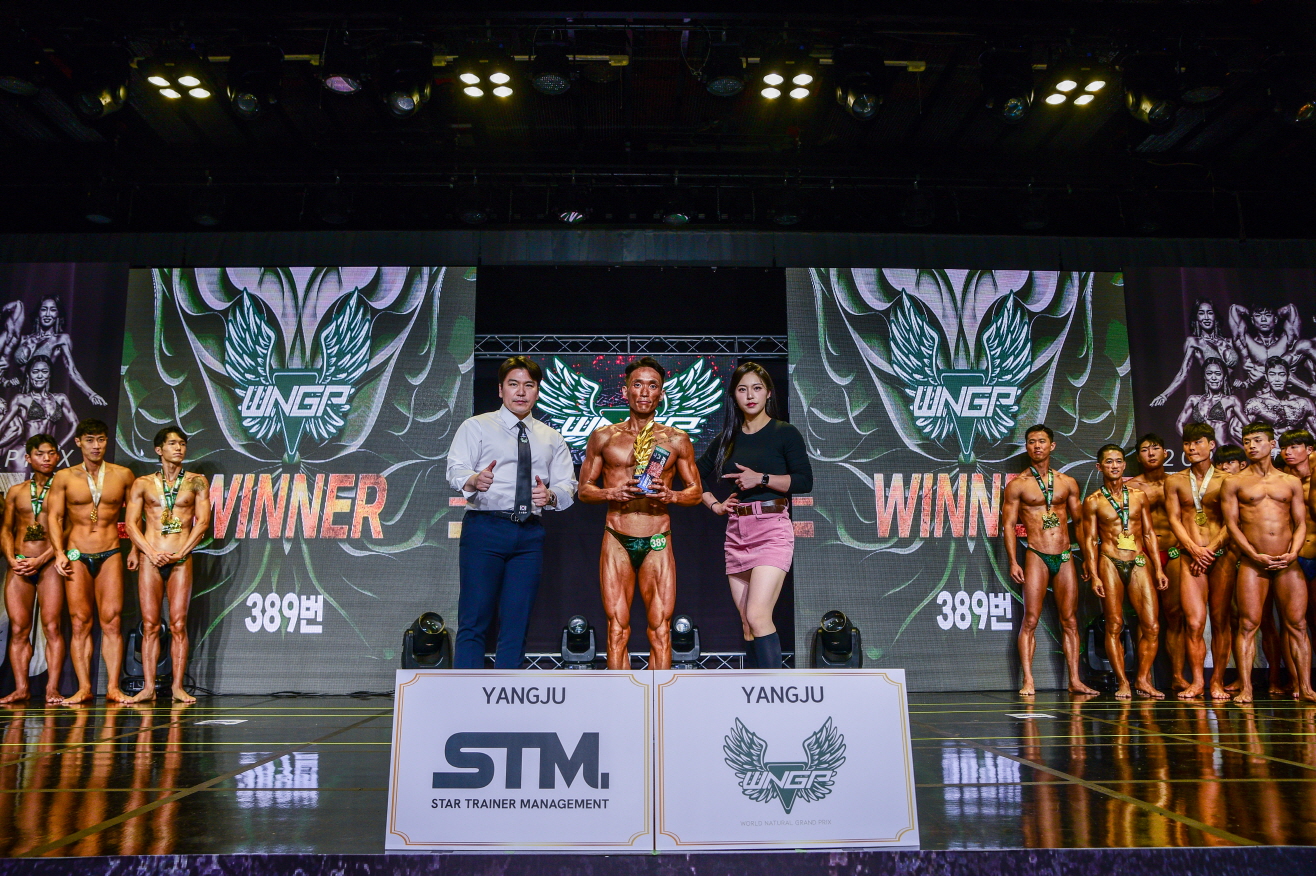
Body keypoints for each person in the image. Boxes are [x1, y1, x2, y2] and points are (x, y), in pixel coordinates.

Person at [445, 356, 576, 669]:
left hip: (529, 534)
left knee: (517, 621)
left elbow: (568, 485)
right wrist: (474, 480)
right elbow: (455, 469)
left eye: (528, 385)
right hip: (485, 528)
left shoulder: (551, 437)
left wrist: (551, 495)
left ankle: (507, 693)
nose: (521, 392)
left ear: (537, 391)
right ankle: (465, 692)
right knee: (474, 619)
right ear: (500, 389)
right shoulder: (476, 426)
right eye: (513, 384)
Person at [578, 357, 702, 670]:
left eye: (652, 385)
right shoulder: (603, 437)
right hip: (616, 537)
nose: (644, 392)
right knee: (616, 628)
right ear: (625, 391)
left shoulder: (676, 439)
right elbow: (584, 490)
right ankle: (619, 697)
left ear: (661, 393)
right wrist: (611, 492)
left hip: (657, 537)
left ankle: (658, 698)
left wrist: (672, 495)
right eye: (637, 384)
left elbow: (696, 492)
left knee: (660, 629)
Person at [697, 362, 812, 671]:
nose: (750, 396)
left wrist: (761, 479)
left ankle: (775, 692)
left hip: (772, 528)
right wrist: (714, 505)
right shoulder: (727, 439)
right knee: (748, 623)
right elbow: (693, 474)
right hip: (737, 531)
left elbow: (804, 481)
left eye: (757, 388)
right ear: (734, 396)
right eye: (742, 389)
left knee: (758, 615)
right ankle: (754, 690)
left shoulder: (784, 433)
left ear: (768, 393)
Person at [1220, 422, 1315, 704]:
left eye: (1258, 440)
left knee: (1297, 625)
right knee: (1248, 625)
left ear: (1272, 444)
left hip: (1288, 561)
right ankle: (1247, 688)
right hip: (1253, 563)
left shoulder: (1290, 482)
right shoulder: (1234, 482)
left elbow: (1300, 523)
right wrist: (1253, 554)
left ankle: (1306, 687)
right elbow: (1232, 525)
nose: (1251, 446)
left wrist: (1293, 552)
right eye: (1247, 441)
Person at [1001, 424, 1097, 696]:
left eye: (1042, 441)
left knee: (1070, 621)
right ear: (1027, 447)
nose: (1037, 446)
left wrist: (1087, 558)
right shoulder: (1018, 485)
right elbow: (1009, 525)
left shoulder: (1067, 483)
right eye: (1032, 442)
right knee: (1030, 619)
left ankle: (1075, 680)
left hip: (1064, 555)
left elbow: (1080, 523)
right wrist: (1013, 561)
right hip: (1037, 554)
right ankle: (1028, 680)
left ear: (1051, 446)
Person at [46, 418, 137, 704]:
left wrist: (135, 549)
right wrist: (58, 552)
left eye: (100, 439)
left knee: (111, 620)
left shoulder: (123, 475)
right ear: (78, 442)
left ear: (107, 441)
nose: (96, 446)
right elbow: (54, 517)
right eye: (89, 440)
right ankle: (84, 687)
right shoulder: (64, 477)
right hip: (76, 553)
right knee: (80, 622)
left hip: (110, 552)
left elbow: (135, 517)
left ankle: (112, 687)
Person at [123, 426, 211, 703]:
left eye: (182, 444)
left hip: (180, 559)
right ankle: (148, 687)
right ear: (158, 449)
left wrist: (181, 552)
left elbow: (203, 522)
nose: (179, 448)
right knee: (150, 625)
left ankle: (177, 687)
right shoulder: (142, 483)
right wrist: (149, 552)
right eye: (173, 443)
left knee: (178, 624)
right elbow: (130, 524)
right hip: (151, 559)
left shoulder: (197, 482)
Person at [1082, 444, 1169, 699]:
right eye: (1109, 462)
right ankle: (1123, 682)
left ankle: (1142, 678)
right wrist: (1094, 574)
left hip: (1138, 559)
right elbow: (1090, 540)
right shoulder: (1093, 501)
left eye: (1118, 461)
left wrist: (1159, 569)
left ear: (1124, 465)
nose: (1114, 466)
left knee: (1152, 625)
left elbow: (1149, 533)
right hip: (1109, 560)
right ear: (1099, 467)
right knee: (1114, 624)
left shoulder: (1139, 496)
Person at [1164, 423, 1235, 700]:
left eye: (1197, 442)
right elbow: (1173, 519)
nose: (1191, 448)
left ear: (1211, 445)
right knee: (1194, 623)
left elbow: (1233, 522)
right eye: (1187, 443)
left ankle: (1216, 681)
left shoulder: (1227, 480)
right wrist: (1194, 549)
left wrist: (1211, 550)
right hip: (1189, 555)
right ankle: (1196, 681)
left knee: (1220, 621)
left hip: (1220, 555)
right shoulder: (1175, 481)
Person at [0, 435, 63, 703]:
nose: (46, 458)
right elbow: (6, 529)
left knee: (52, 627)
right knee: (18, 629)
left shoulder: (63, 489)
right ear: (28, 458)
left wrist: (44, 558)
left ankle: (52, 688)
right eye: (40, 454)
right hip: (19, 563)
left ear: (58, 456)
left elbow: (69, 529)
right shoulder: (16, 492)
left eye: (51, 453)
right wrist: (11, 558)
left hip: (48, 564)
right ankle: (21, 688)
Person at [1127, 434, 1185, 692]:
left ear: (1165, 453)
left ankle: (1177, 676)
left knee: (1175, 616)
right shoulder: (1132, 487)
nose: (1150, 453)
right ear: (1138, 457)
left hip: (1173, 551)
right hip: (1144, 555)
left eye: (1155, 448)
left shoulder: (1179, 482)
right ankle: (1145, 678)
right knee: (1146, 617)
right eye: (1144, 450)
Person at [14, 297, 107, 406]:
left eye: (53, 310)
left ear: (58, 314)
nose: (48, 314)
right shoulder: (23, 339)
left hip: (40, 400)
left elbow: (71, 370)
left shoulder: (61, 339)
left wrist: (91, 394)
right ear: (38, 312)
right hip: (17, 395)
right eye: (44, 309)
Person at [1152, 300, 1239, 406]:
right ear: (1196, 317)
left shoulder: (1229, 341)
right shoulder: (1194, 342)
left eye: (1210, 313)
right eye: (1201, 313)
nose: (1206, 317)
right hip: (1213, 401)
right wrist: (1164, 395)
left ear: (1215, 316)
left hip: (1233, 398)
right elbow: (1183, 372)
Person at [0, 355, 77, 470]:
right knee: (22, 482)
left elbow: (75, 424)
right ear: (28, 374)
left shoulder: (60, 398)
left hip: (48, 453)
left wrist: (59, 446)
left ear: (49, 374)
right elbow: (3, 425)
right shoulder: (21, 399)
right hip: (24, 452)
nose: (40, 376)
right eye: (35, 372)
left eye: (44, 371)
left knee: (50, 482)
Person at [1229, 303, 1309, 392]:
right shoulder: (1246, 343)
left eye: (1268, 315)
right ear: (1252, 320)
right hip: (1260, 395)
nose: (1263, 319)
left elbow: (1291, 308)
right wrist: (1251, 313)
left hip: (1286, 395)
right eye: (1258, 316)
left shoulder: (1286, 341)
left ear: (1275, 319)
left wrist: (1275, 313)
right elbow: (1234, 308)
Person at [1175, 357, 1245, 447]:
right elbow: (1179, 424)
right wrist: (1192, 443)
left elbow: (1249, 427)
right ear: (1204, 376)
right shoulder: (1193, 400)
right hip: (1204, 451)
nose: (1213, 378)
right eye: (1209, 373)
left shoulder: (1231, 400)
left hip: (1223, 450)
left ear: (1224, 377)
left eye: (1218, 374)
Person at [1244, 357, 1316, 434]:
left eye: (1282, 375)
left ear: (1288, 376)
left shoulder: (1304, 403)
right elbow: (1240, 432)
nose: (1277, 379)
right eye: (1272, 375)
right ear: (1266, 377)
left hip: (1296, 440)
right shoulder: (1256, 404)